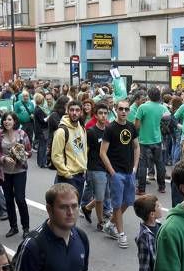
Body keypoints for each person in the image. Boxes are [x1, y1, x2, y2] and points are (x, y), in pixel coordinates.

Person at [100, 99, 140, 249]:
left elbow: (136, 147)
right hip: (116, 172)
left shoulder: (131, 127)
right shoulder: (110, 128)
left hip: (130, 171)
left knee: (128, 201)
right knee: (116, 204)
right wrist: (112, 172)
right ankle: (121, 234)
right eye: (121, 109)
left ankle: (111, 223)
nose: (123, 112)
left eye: (126, 109)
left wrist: (135, 167)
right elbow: (102, 153)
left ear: (129, 111)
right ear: (116, 110)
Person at [0, 111, 32, 238]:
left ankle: (26, 228)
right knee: (9, 200)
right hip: (5, 172)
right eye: (5, 119)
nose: (7, 122)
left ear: (14, 121)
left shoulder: (22, 134)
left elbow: (29, 152)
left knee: (20, 199)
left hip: (19, 171)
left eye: (9, 119)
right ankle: (13, 227)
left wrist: (21, 154)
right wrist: (4, 158)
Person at [82, 103, 113, 231]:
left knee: (106, 195)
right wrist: (85, 168)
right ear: (95, 115)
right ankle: (100, 222)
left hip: (107, 167)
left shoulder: (109, 130)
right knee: (100, 197)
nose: (103, 115)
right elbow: (85, 151)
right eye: (100, 113)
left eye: (105, 113)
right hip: (95, 167)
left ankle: (87, 207)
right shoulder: (91, 132)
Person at [135, 86, 169, 195]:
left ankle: (141, 189)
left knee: (143, 165)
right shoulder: (161, 107)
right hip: (157, 139)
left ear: (148, 95)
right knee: (159, 163)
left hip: (144, 140)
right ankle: (162, 186)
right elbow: (168, 115)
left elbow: (137, 125)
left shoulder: (142, 107)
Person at [52, 99, 88, 194]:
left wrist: (84, 167)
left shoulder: (82, 128)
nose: (74, 113)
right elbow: (56, 156)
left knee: (76, 206)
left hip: (80, 175)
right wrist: (67, 174)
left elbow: (83, 151)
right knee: (65, 207)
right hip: (67, 177)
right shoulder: (61, 131)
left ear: (81, 112)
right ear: (67, 111)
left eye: (77, 110)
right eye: (71, 110)